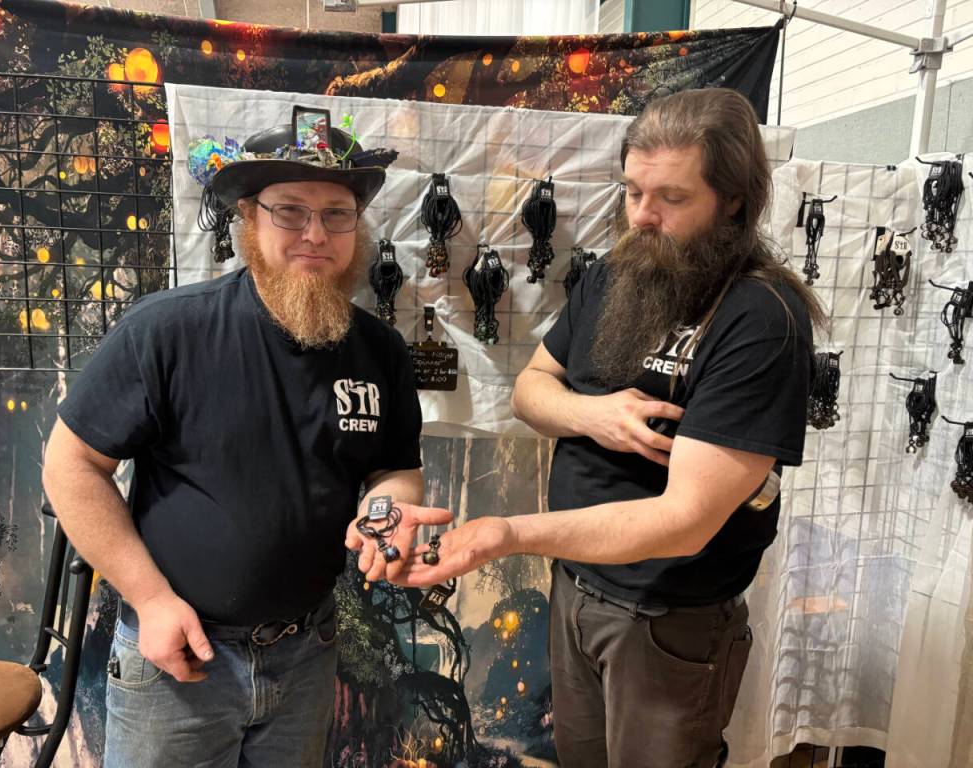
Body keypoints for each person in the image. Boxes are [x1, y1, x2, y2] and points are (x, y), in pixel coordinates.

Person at [387, 88, 826, 768]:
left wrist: (507, 533)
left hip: (665, 619)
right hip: (577, 588)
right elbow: (531, 392)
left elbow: (685, 519)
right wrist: (598, 414)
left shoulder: (759, 318)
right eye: (632, 192)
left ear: (733, 200)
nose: (643, 216)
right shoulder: (619, 275)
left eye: (671, 198)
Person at [42, 109, 449, 768]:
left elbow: (393, 469)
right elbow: (70, 465)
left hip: (307, 654)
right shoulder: (167, 332)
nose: (316, 233)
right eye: (290, 210)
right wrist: (149, 600)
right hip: (180, 659)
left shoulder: (381, 352)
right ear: (249, 220)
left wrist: (387, 514)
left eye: (337, 214)